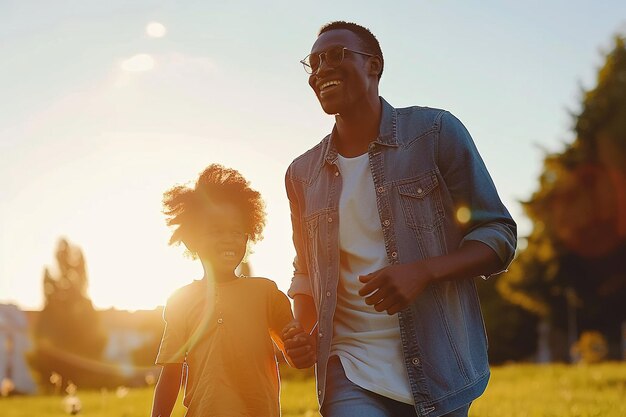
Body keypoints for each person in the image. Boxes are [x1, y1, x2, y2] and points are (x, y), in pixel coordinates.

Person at [282, 21, 517, 417]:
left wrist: (422, 272)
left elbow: (498, 234)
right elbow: (305, 271)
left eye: (336, 55)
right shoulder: (301, 174)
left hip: (441, 364)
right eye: (314, 61)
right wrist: (304, 333)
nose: (322, 69)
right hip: (349, 367)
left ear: (374, 65)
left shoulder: (435, 133)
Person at [150, 164, 295, 417]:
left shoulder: (266, 293)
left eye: (237, 232)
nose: (229, 239)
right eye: (216, 231)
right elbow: (171, 373)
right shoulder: (180, 301)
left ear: (248, 237)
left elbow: (294, 354)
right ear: (192, 240)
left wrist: (301, 345)